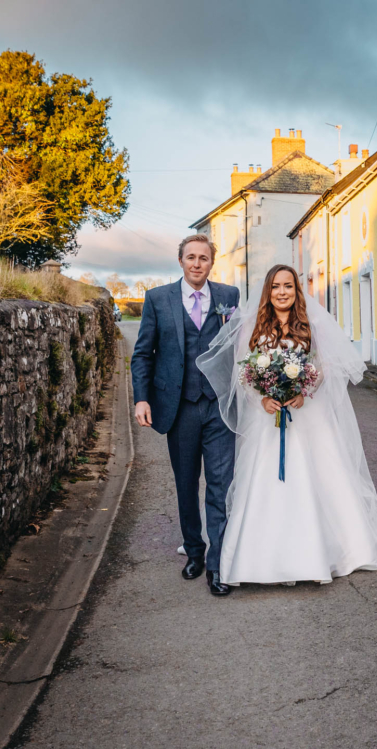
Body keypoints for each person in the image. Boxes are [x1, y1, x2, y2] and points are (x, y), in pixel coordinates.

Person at [198, 264, 377, 586]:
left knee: (320, 476)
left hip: (306, 413)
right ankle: (259, 559)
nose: (282, 292)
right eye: (275, 287)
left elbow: (324, 365)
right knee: (262, 481)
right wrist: (263, 398)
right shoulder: (253, 327)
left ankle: (325, 552)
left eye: (288, 286)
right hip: (266, 418)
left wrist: (304, 389)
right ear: (267, 292)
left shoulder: (309, 325)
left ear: (297, 291)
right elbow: (243, 373)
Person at [131, 235, 241, 597]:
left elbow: (241, 349)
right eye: (191, 257)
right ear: (181, 261)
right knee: (185, 484)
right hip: (178, 408)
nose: (197, 264)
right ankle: (194, 551)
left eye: (204, 258)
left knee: (220, 486)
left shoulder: (229, 296)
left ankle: (218, 565)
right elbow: (143, 354)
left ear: (212, 262)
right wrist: (142, 399)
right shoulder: (158, 299)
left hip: (219, 406)